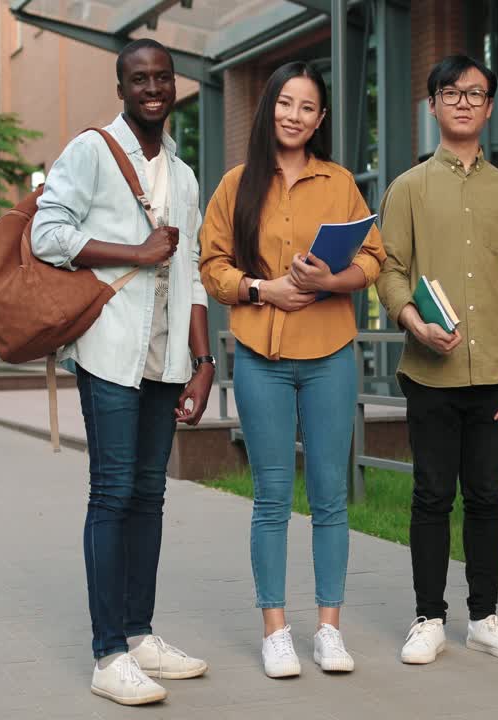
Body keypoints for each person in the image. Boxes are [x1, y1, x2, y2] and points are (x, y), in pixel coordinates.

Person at [30, 38, 214, 705]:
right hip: (109, 351)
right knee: (111, 494)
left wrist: (203, 362)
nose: (153, 88)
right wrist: (135, 252)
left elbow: (192, 272)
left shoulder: (184, 175)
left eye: (162, 77)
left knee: (149, 495)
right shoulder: (91, 152)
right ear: (121, 89)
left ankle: (139, 634)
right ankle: (108, 654)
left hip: (166, 358)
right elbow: (46, 234)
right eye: (140, 79)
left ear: (175, 86)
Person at [199, 61, 385, 679]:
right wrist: (262, 289)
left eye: (307, 107)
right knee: (272, 495)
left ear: (320, 117)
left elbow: (374, 257)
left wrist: (332, 280)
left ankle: (329, 629)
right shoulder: (236, 184)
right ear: (268, 107)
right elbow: (212, 266)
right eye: (285, 103)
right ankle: (275, 631)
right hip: (261, 356)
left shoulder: (340, 182)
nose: (294, 115)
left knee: (330, 494)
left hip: (330, 353)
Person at [376, 55, 498, 665]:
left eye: (475, 93)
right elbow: (390, 270)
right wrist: (412, 321)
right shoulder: (408, 188)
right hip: (430, 372)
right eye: (452, 92)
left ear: (489, 106)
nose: (464, 102)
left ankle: (484, 618)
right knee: (431, 495)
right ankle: (428, 619)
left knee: (488, 496)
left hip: (496, 371)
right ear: (434, 105)